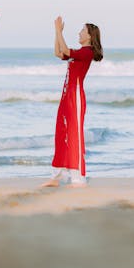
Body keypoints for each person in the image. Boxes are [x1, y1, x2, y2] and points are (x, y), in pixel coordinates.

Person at [42, 16, 103, 188]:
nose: (79, 32)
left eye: (82, 30)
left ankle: (78, 178)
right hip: (66, 96)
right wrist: (57, 32)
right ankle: (58, 175)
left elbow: (66, 51)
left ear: (90, 36)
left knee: (74, 135)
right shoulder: (79, 52)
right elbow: (58, 52)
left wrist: (60, 32)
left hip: (75, 97)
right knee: (61, 133)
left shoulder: (87, 52)